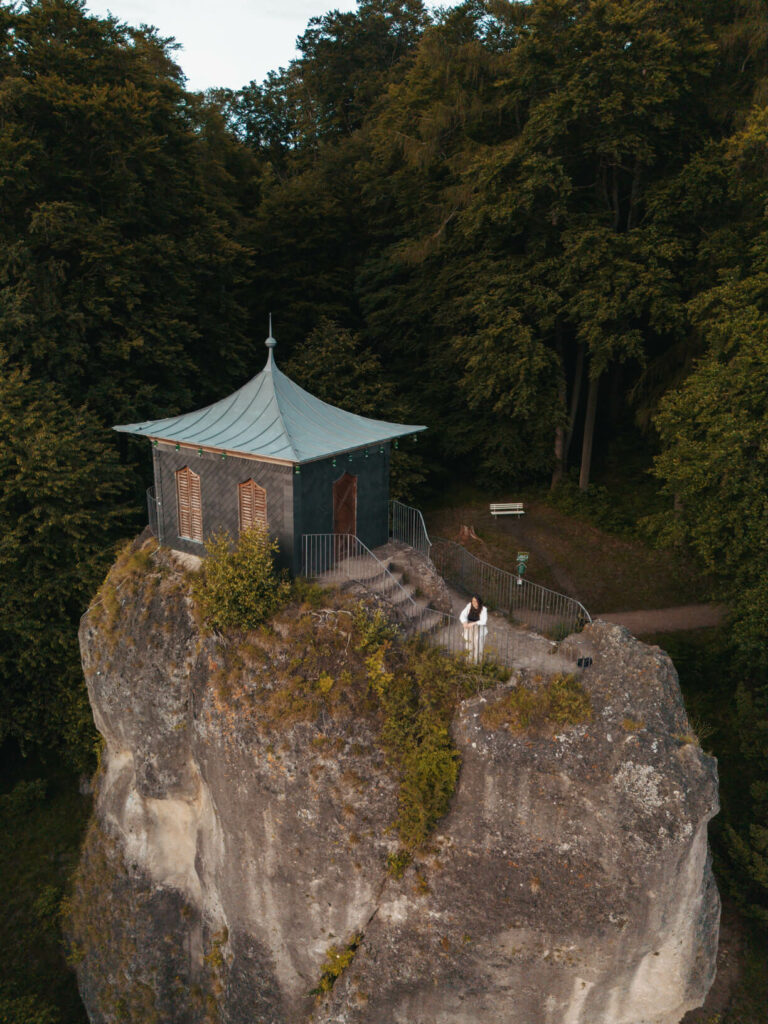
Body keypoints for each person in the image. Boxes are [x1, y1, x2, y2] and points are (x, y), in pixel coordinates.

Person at [459, 594, 488, 663]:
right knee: (469, 645)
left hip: (479, 629)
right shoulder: (469, 606)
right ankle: (468, 662)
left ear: (479, 602)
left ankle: (477, 663)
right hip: (469, 629)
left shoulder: (483, 609)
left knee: (478, 646)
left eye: (476, 601)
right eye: (473, 601)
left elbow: (483, 621)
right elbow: (462, 615)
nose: (474, 603)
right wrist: (464, 622)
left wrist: (473, 623)